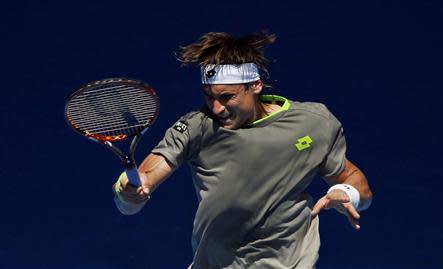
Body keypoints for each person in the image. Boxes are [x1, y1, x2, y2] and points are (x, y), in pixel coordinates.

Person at [112, 31, 373, 269]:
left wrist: (345, 192)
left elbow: (357, 184)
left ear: (256, 85)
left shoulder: (313, 123)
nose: (216, 108)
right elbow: (142, 182)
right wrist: (128, 194)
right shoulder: (196, 127)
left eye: (227, 97)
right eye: (208, 96)